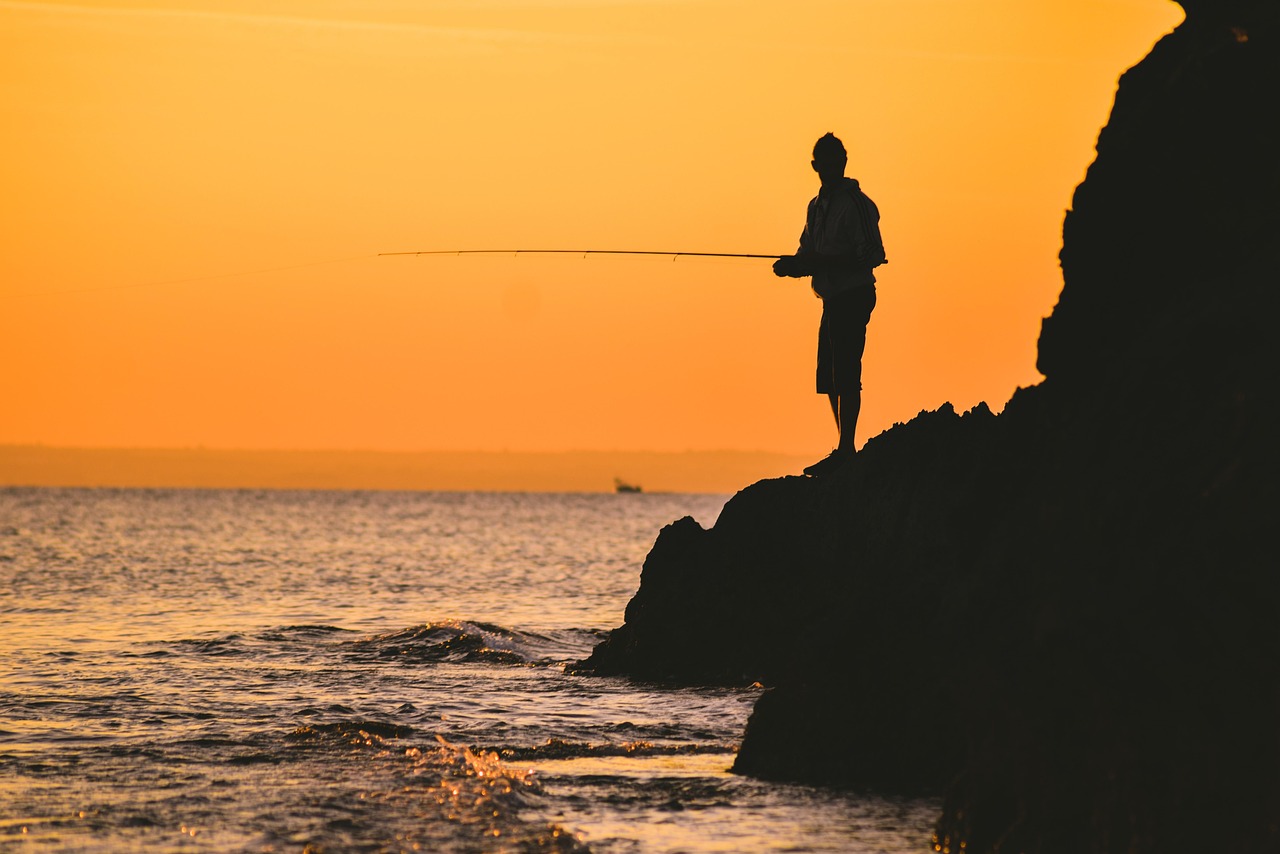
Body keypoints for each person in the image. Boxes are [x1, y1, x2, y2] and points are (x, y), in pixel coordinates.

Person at [773, 132, 886, 477]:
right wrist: (793, 266)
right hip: (831, 299)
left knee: (847, 372)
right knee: (830, 377)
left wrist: (818, 262)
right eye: (826, 163)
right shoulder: (816, 207)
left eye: (838, 161)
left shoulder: (858, 204)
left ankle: (846, 450)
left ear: (844, 162)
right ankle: (843, 447)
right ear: (816, 166)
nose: (832, 168)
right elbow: (808, 252)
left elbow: (874, 255)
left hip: (854, 295)